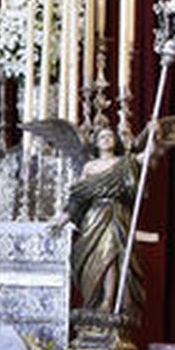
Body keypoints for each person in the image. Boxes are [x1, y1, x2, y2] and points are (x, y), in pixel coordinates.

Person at [64, 126, 140, 315]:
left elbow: (145, 158)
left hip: (114, 213)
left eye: (110, 136)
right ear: (96, 143)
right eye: (102, 137)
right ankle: (92, 299)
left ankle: (108, 299)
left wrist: (154, 136)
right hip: (93, 216)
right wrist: (64, 216)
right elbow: (78, 197)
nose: (107, 139)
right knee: (88, 258)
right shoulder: (89, 167)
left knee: (110, 257)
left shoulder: (124, 162)